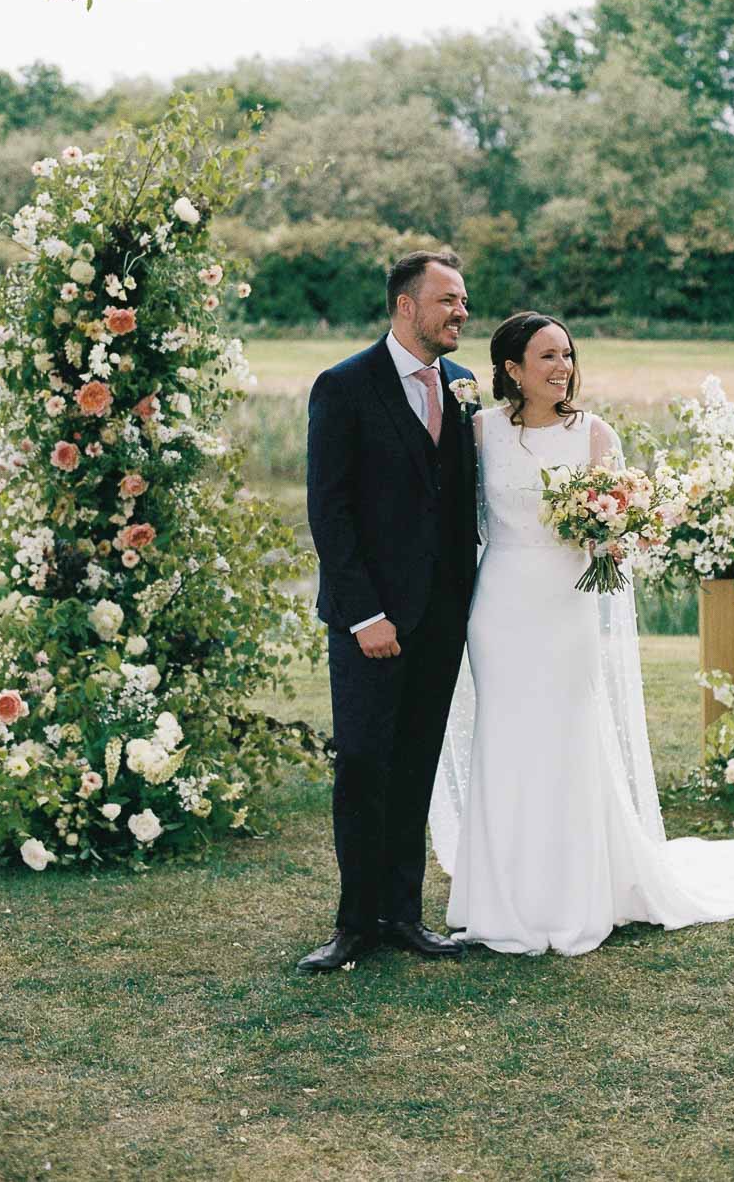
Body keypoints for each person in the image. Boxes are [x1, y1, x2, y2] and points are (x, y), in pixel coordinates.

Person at [429, 311, 734, 956]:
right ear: (512, 369)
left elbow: (622, 534)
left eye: (567, 355)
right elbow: (457, 520)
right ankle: (502, 894)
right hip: (500, 605)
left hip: (566, 604)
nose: (561, 367)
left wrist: (607, 536)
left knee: (569, 734)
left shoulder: (594, 434)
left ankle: (578, 890)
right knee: (506, 735)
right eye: (545, 357)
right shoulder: (480, 433)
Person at [299, 250, 480, 973]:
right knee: (365, 765)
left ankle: (404, 915)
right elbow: (329, 512)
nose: (461, 312)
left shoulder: (465, 386)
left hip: (442, 617)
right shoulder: (344, 386)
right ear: (406, 306)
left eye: (464, 300)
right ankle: (354, 924)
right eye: (449, 300)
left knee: (416, 765)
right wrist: (364, 614)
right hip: (370, 619)